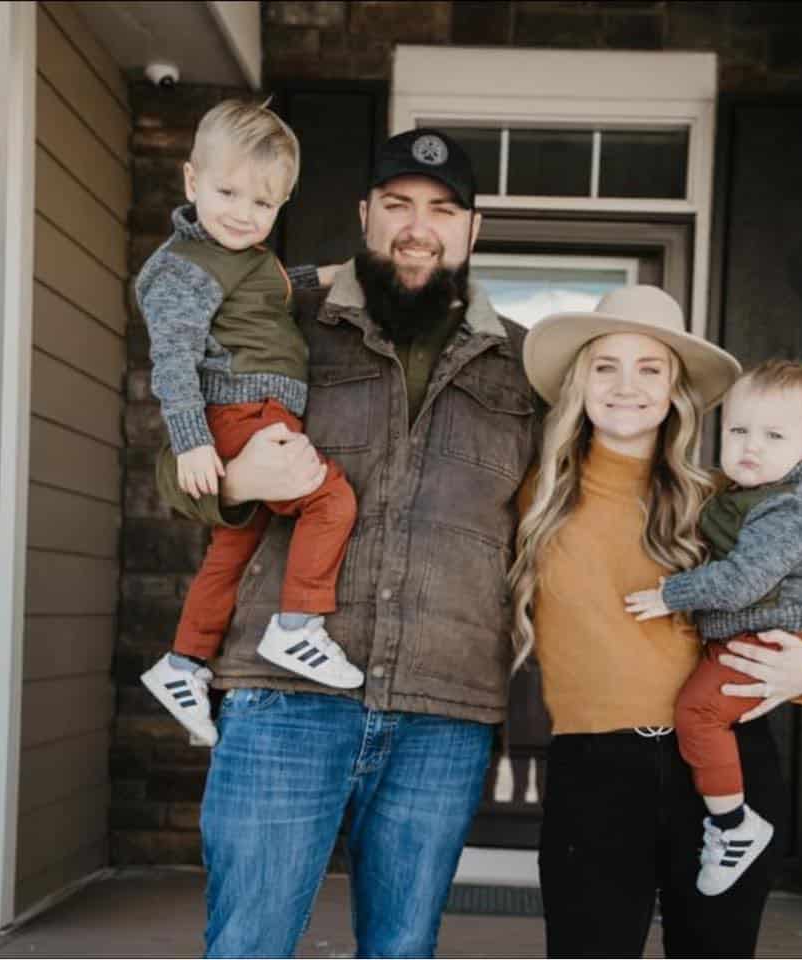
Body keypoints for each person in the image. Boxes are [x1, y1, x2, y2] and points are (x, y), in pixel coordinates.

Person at [154, 128, 540, 958]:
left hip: (445, 707)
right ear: (365, 214)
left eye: (442, 211)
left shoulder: (523, 364)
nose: (417, 227)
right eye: (398, 205)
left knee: (401, 950)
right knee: (249, 946)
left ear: (474, 229)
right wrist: (238, 481)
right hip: (282, 699)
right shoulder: (282, 315)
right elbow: (174, 473)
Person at [512, 285, 802, 958]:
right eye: (606, 365)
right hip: (598, 770)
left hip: (724, 767)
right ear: (580, 381)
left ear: (675, 390)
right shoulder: (536, 496)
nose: (627, 385)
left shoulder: (725, 499)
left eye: (651, 368)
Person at [137, 100, 363, 749]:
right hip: (239, 412)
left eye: (262, 203)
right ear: (192, 181)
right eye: (227, 193)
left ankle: (183, 661)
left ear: (281, 203)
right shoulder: (182, 269)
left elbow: (266, 291)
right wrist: (192, 443)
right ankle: (297, 625)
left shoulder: (241, 254)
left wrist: (328, 275)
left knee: (233, 550)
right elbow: (173, 359)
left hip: (260, 410)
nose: (242, 213)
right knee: (331, 499)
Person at [625, 359, 802, 896]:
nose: (751, 447)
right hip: (740, 633)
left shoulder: (791, 508)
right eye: (739, 430)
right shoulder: (735, 491)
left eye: (774, 436)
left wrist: (670, 595)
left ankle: (734, 825)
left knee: (698, 713)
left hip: (765, 638)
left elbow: (743, 581)